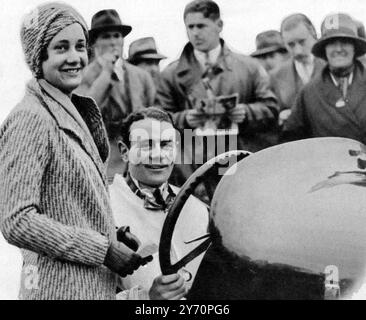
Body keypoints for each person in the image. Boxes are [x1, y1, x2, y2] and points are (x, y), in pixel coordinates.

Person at [0, 3, 150, 300]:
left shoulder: (69, 110)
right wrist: (103, 249)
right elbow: (16, 221)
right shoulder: (32, 117)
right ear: (38, 56)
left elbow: (64, 203)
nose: (75, 57)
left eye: (80, 46)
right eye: (61, 48)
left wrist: (111, 234)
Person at [156, 0, 278, 189]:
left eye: (201, 26)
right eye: (190, 27)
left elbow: (271, 107)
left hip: (238, 158)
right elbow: (158, 118)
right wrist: (185, 118)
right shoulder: (170, 75)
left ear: (219, 25)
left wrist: (246, 112)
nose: (195, 32)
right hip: (190, 166)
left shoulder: (249, 67)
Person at [109, 107, 209, 299]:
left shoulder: (196, 207)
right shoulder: (104, 207)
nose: (158, 155)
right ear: (124, 152)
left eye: (165, 145)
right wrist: (146, 299)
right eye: (146, 145)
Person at [76, 9, 156, 183]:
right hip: (105, 163)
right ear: (94, 43)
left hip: (140, 162)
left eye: (117, 36)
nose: (113, 42)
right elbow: (84, 114)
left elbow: (154, 113)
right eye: (106, 37)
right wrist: (105, 74)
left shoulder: (141, 76)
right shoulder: (83, 77)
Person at [282, 13, 366, 144]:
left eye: (345, 42)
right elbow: (292, 139)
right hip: (330, 163)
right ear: (324, 50)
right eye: (332, 43)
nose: (338, 49)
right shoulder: (308, 93)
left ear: (354, 47)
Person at [270, 13, 325, 126]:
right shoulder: (276, 76)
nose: (298, 51)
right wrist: (280, 116)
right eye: (291, 45)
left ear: (314, 34)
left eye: (302, 42)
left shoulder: (333, 66)